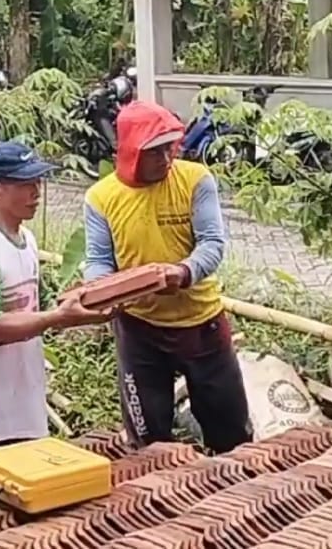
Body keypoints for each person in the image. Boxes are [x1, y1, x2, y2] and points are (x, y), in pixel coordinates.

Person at [83, 100, 252, 452]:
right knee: (148, 439)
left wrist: (183, 271)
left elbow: (212, 242)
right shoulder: (101, 197)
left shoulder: (195, 180)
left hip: (201, 323)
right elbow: (99, 260)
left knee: (231, 433)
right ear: (130, 152)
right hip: (140, 330)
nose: (165, 159)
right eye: (155, 152)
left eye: (169, 148)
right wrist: (103, 290)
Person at [0, 142, 108, 469]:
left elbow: (33, 308)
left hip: (23, 406)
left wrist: (78, 303)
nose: (36, 192)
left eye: (38, 182)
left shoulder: (27, 240)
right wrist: (58, 318)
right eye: (24, 184)